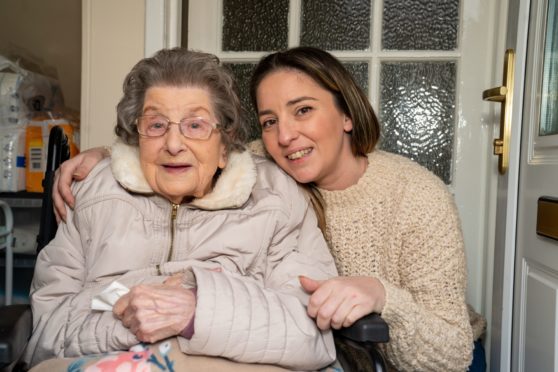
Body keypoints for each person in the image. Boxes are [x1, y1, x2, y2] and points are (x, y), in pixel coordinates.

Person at [53, 47, 486, 371]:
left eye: (304, 111)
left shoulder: (414, 196)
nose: (286, 136)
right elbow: (183, 143)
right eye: (269, 121)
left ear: (347, 114)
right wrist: (111, 158)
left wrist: (382, 295)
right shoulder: (263, 166)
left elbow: (450, 352)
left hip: (420, 353)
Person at [24, 48, 339, 371]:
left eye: (195, 125)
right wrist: (135, 318)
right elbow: (45, 333)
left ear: (225, 143)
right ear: (137, 136)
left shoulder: (275, 197)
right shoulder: (93, 191)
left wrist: (196, 314)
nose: (173, 145)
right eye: (157, 125)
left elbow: (311, 331)